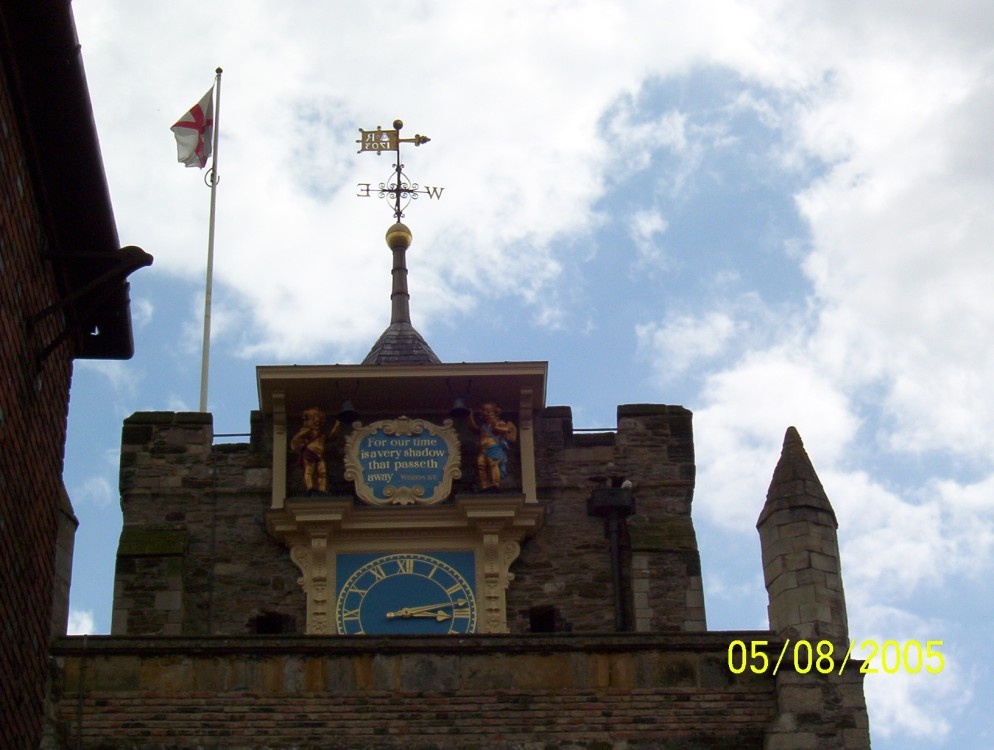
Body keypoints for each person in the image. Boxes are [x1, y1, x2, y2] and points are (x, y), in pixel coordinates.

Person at [290, 407, 340, 494]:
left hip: (320, 455)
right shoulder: (307, 431)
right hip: (310, 452)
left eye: (319, 421)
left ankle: (322, 489)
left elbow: (331, 438)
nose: (317, 423)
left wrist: (336, 426)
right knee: (309, 470)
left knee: (322, 472)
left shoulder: (321, 434)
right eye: (314, 421)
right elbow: (295, 440)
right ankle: (309, 487)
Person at [468, 402, 517, 491]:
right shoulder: (484, 426)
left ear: (494, 412)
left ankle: (495, 484)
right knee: (481, 465)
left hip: (493, 447)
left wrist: (496, 427)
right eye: (484, 411)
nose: (485, 413)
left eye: (488, 411)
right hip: (483, 449)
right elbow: (474, 429)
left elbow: (505, 430)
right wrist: (470, 416)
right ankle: (484, 485)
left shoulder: (498, 422)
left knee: (493, 465)